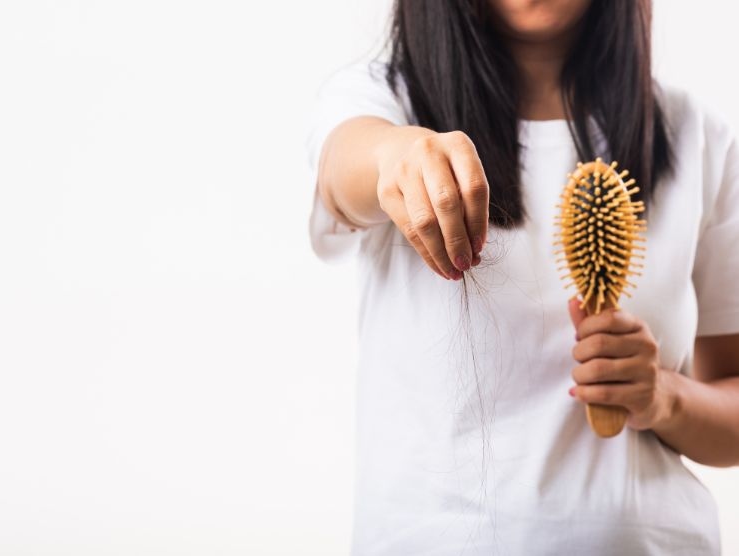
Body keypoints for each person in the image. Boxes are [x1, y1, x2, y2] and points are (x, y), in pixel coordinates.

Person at [305, 1, 739, 554]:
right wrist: (400, 155)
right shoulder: (383, 102)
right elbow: (346, 167)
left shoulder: (697, 135)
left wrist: (665, 398)